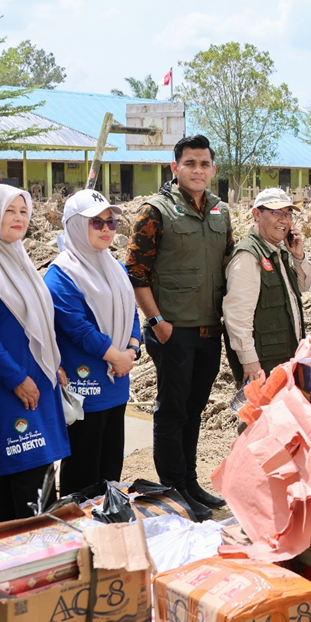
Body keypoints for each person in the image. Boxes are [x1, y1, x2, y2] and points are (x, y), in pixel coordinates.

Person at [125, 134, 232, 521]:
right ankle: (174, 490)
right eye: (190, 163)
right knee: (172, 410)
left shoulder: (220, 211)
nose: (198, 170)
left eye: (204, 164)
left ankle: (189, 481)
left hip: (208, 329)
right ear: (175, 168)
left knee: (195, 407)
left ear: (212, 169)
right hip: (173, 330)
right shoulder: (155, 211)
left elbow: (229, 263)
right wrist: (156, 321)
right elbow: (136, 271)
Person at [0, 184, 70, 522]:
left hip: (35, 378)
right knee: (34, 467)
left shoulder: (16, 258)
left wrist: (54, 363)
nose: (19, 218)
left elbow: (39, 320)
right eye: (9, 211)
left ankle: (2, 551)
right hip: (11, 384)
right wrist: (16, 378)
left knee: (18, 468)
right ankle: (39, 550)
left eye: (23, 211)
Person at [45, 190, 141, 497]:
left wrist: (133, 349)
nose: (106, 229)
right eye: (95, 222)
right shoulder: (61, 274)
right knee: (82, 476)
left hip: (116, 382)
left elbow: (131, 312)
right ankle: (80, 539)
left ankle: (104, 534)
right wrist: (115, 355)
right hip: (85, 388)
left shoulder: (115, 267)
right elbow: (77, 328)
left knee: (110, 470)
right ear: (74, 226)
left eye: (110, 222)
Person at [223, 188, 311, 384]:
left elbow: (305, 286)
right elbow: (237, 317)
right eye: (275, 212)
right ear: (256, 214)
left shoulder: (278, 251)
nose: (284, 220)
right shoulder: (248, 256)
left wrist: (298, 257)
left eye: (288, 214)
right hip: (262, 366)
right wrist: (250, 362)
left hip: (284, 361)